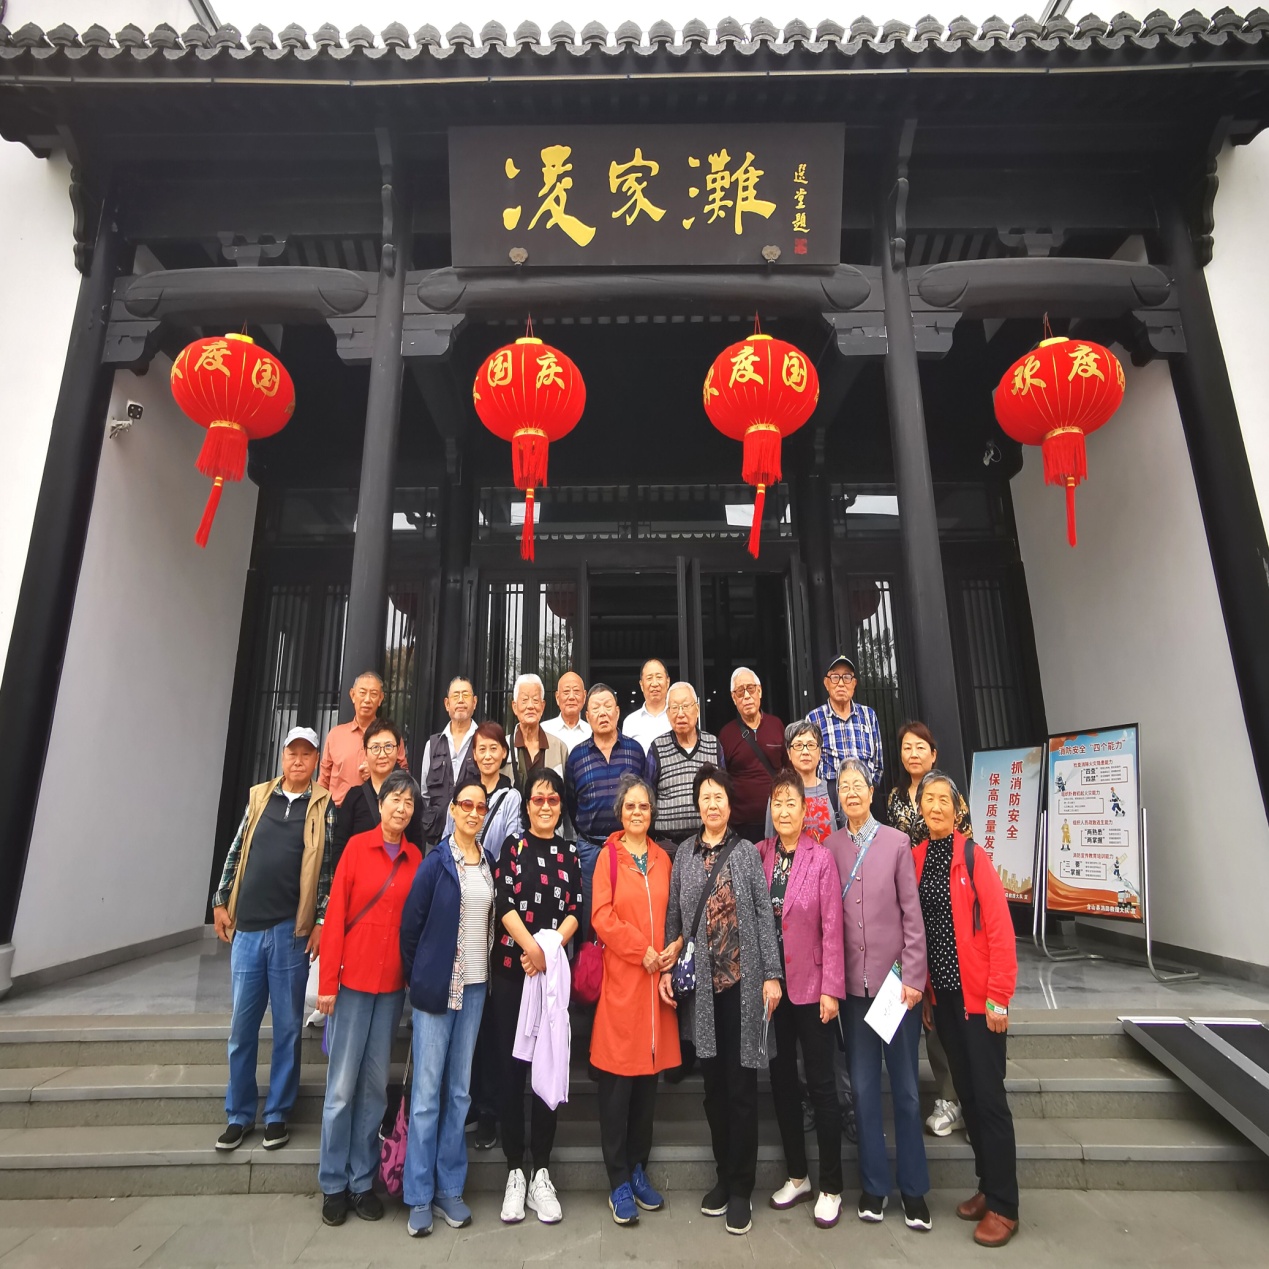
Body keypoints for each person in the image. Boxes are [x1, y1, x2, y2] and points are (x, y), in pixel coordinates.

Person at [662, 765, 782, 1237]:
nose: (712, 805)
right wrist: (668, 965)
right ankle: (722, 1175)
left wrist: (771, 975)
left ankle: (741, 1188)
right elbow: (674, 918)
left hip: (743, 987)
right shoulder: (684, 855)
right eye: (705, 797)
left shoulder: (746, 853)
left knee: (741, 1089)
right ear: (697, 805)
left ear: (730, 805)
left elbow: (762, 915)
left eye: (719, 797)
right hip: (703, 994)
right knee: (713, 1089)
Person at [210, 726, 336, 1152]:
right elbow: (237, 849)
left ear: (316, 760)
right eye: (292, 753)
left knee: (286, 1028)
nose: (298, 760)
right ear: (282, 756)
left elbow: (328, 869)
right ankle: (239, 1113)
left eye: (306, 754)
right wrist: (221, 897)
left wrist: (320, 920)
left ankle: (278, 1113)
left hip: (289, 930)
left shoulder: (324, 805)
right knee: (241, 1029)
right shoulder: (259, 796)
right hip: (248, 928)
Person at [914, 770, 1020, 1249]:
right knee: (968, 1097)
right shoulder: (918, 857)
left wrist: (999, 995)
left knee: (989, 1099)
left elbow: (999, 929)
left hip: (980, 1000)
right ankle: (986, 1185)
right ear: (920, 807)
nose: (936, 806)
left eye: (944, 799)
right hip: (944, 999)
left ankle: (1005, 1205)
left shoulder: (974, 856)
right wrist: (927, 994)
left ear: (958, 810)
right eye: (929, 799)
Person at [824, 759, 931, 1231]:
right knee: (864, 1091)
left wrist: (913, 977)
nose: (851, 793)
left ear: (871, 792)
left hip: (896, 988)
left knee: (906, 1091)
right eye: (844, 787)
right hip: (854, 989)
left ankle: (914, 1189)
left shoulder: (896, 842)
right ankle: (873, 1186)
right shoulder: (830, 847)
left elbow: (912, 914)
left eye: (858, 786)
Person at [316, 770, 423, 1225]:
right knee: (341, 1088)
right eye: (395, 799)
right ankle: (332, 1183)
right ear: (380, 805)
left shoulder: (416, 858)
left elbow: (416, 925)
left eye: (409, 803)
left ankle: (361, 1181)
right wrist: (326, 983)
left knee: (375, 1089)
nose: (401, 808)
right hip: (353, 983)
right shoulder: (358, 848)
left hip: (391, 988)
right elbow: (336, 914)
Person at [398, 781, 496, 1238]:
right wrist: (421, 978)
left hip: (474, 989)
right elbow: (410, 929)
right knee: (426, 1095)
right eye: (466, 805)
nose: (474, 813)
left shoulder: (488, 862)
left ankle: (449, 1188)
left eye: (481, 807)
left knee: (459, 1092)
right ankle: (418, 1193)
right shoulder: (436, 863)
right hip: (438, 991)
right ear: (453, 810)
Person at [590, 774, 681, 1226]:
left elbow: (675, 913)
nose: (638, 813)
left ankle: (638, 1167)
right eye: (630, 806)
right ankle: (618, 1179)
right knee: (617, 1089)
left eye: (644, 806)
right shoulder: (609, 857)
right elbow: (601, 916)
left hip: (657, 989)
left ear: (652, 812)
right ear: (620, 812)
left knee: (647, 1087)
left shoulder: (664, 858)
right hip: (623, 983)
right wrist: (639, 949)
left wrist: (673, 948)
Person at [491, 769, 581, 1226]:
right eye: (537, 799)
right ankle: (514, 1170)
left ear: (561, 806)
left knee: (548, 1064)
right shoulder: (513, 847)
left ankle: (541, 1170)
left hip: (551, 979)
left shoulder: (570, 853)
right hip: (513, 973)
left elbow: (575, 910)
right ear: (526, 805)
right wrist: (532, 950)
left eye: (552, 800)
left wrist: (549, 950)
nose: (545, 806)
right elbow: (504, 904)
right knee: (511, 1071)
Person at [758, 770, 845, 1229]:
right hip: (773, 991)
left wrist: (832, 988)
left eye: (791, 802)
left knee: (822, 1085)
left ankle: (831, 1184)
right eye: (778, 803)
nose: (784, 810)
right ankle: (798, 1176)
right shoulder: (760, 854)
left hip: (813, 990)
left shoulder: (821, 857)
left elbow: (833, 927)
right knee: (782, 1084)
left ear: (805, 808)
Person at [883, 720, 971, 1139]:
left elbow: (967, 852)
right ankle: (942, 1094)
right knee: (926, 1008)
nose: (913, 753)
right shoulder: (895, 798)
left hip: (945, 909)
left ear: (934, 753)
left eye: (921, 747)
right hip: (908, 909)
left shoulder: (948, 793)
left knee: (952, 1010)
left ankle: (962, 1096)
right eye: (907, 747)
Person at [442, 720, 520, 1149]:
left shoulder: (511, 796)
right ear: (473, 754)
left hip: (494, 908)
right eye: (481, 749)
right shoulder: (462, 794)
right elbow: (446, 844)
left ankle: (488, 1109)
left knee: (489, 1022)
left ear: (504, 753)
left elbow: (509, 848)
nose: (488, 755)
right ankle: (463, 1102)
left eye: (494, 748)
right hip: (459, 912)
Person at [565, 683, 646, 943]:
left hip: (628, 846)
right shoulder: (577, 756)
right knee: (592, 917)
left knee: (629, 913)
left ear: (618, 712)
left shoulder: (635, 751)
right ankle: (590, 967)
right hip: (591, 849)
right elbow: (571, 803)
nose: (603, 713)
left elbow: (645, 798)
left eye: (608, 706)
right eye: (596, 708)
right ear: (587, 716)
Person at [332, 718, 424, 867]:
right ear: (365, 751)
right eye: (375, 747)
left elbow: (417, 844)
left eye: (388, 746)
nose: (382, 754)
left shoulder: (410, 796)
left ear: (398, 750)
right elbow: (340, 847)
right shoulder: (354, 797)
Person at [646, 681, 724, 854]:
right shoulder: (657, 748)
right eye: (674, 708)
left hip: (708, 843)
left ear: (697, 709)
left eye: (686, 706)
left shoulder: (713, 744)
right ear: (667, 714)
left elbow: (724, 794)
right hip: (666, 846)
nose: (680, 713)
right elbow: (648, 797)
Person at [319, 671, 409, 807]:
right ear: (352, 695)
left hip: (378, 808)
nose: (367, 699)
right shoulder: (335, 735)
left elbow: (404, 776)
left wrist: (379, 773)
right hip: (338, 810)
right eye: (362, 693)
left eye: (373, 694)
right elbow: (324, 779)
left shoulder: (390, 736)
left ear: (380, 699)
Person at [718, 667, 785, 844]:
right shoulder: (726, 734)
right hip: (741, 826)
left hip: (778, 819)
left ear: (760, 691)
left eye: (751, 689)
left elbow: (788, 770)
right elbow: (722, 781)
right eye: (740, 691)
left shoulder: (776, 725)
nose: (747, 696)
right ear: (734, 698)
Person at [418, 676, 480, 848]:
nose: (460, 700)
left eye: (466, 695)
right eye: (455, 695)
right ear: (447, 704)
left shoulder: (483, 741)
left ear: (474, 702)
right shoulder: (432, 744)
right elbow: (425, 793)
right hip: (436, 838)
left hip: (474, 837)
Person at [806, 654, 884, 790]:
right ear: (826, 683)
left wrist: (869, 789)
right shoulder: (814, 718)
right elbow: (809, 764)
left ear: (854, 683)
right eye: (835, 677)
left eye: (847, 677)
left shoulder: (869, 715)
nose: (841, 684)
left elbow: (878, 763)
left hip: (864, 791)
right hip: (829, 793)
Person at [766, 719, 842, 844]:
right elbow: (770, 842)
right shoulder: (779, 793)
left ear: (819, 752)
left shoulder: (834, 792)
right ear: (789, 753)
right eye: (798, 745)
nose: (805, 752)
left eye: (811, 745)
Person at [508, 673, 568, 792]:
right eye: (524, 700)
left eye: (535, 700)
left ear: (543, 706)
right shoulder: (503, 747)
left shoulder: (559, 747)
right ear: (514, 707)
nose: (530, 706)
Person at [621, 658, 672, 752]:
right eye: (649, 678)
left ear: (667, 681)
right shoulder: (630, 722)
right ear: (641, 685)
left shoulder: (677, 717)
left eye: (659, 677)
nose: (655, 683)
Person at [542, 669, 592, 753]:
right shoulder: (544, 730)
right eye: (566, 692)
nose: (571, 697)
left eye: (576, 691)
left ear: (584, 697)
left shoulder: (591, 731)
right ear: (557, 697)